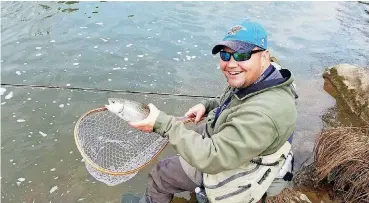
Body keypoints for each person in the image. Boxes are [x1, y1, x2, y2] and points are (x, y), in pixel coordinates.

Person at [121, 20, 297, 203]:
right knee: (188, 138)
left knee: (162, 172)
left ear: (264, 56)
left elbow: (211, 157)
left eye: (242, 54)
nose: (231, 63)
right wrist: (207, 106)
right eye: (225, 55)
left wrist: (162, 123)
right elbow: (237, 101)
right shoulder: (266, 76)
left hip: (236, 168)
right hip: (242, 147)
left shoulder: (265, 112)